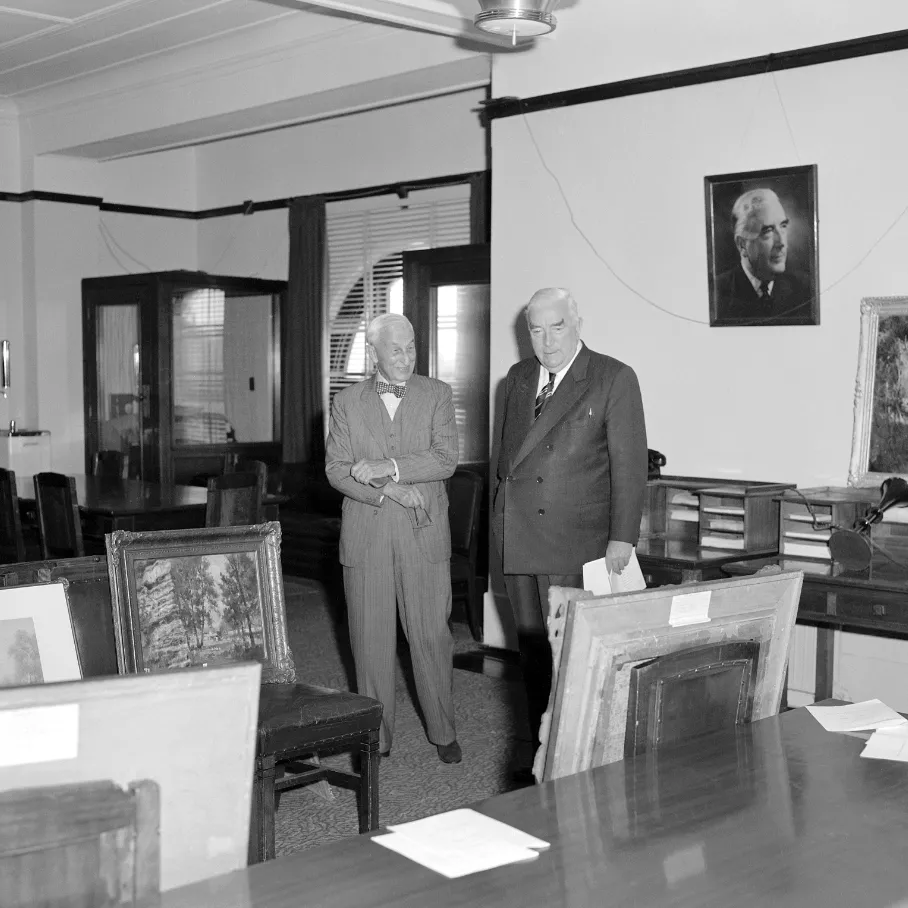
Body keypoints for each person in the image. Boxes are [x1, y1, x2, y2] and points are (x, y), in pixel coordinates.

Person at [493, 287, 648, 772]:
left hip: (576, 547)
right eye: (535, 329)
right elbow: (506, 466)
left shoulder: (611, 377)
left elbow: (629, 466)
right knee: (534, 656)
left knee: (576, 664)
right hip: (519, 540)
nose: (546, 339)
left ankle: (579, 762)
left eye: (556, 326)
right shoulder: (517, 379)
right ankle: (541, 757)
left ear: (577, 322)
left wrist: (622, 536)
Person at [325, 312, 462, 764]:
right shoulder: (345, 403)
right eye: (395, 350)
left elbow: (444, 459)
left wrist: (389, 467)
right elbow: (337, 469)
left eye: (411, 347)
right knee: (369, 641)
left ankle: (443, 730)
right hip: (367, 531)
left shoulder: (438, 395)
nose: (405, 358)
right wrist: (390, 491)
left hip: (423, 534)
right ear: (374, 353)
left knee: (430, 637)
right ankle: (375, 738)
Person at [714, 187, 809, 322]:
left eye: (783, 226)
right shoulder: (717, 293)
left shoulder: (805, 288)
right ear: (742, 244)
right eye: (767, 231)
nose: (781, 242)